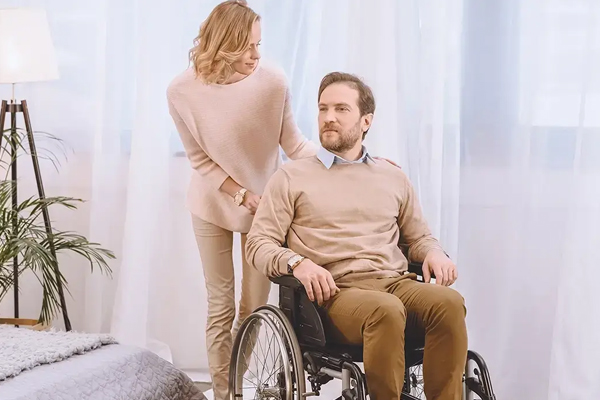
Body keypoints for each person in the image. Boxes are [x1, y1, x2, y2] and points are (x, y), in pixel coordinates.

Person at [245, 72, 468, 400]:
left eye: (341, 109)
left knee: (449, 303)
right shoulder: (291, 176)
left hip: (394, 283)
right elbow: (258, 244)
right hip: (334, 294)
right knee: (385, 310)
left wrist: (434, 252)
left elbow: (419, 238)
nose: (329, 117)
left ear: (366, 121)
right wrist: (297, 263)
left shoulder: (392, 176)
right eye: (323, 109)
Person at [166, 1, 318, 397]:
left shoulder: (273, 82)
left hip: (264, 210)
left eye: (259, 45)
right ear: (223, 45)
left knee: (253, 306)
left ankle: (234, 380)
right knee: (220, 305)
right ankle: (225, 394)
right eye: (247, 47)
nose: (256, 55)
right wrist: (240, 193)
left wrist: (348, 160)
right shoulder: (182, 91)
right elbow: (199, 158)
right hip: (212, 203)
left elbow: (294, 145)